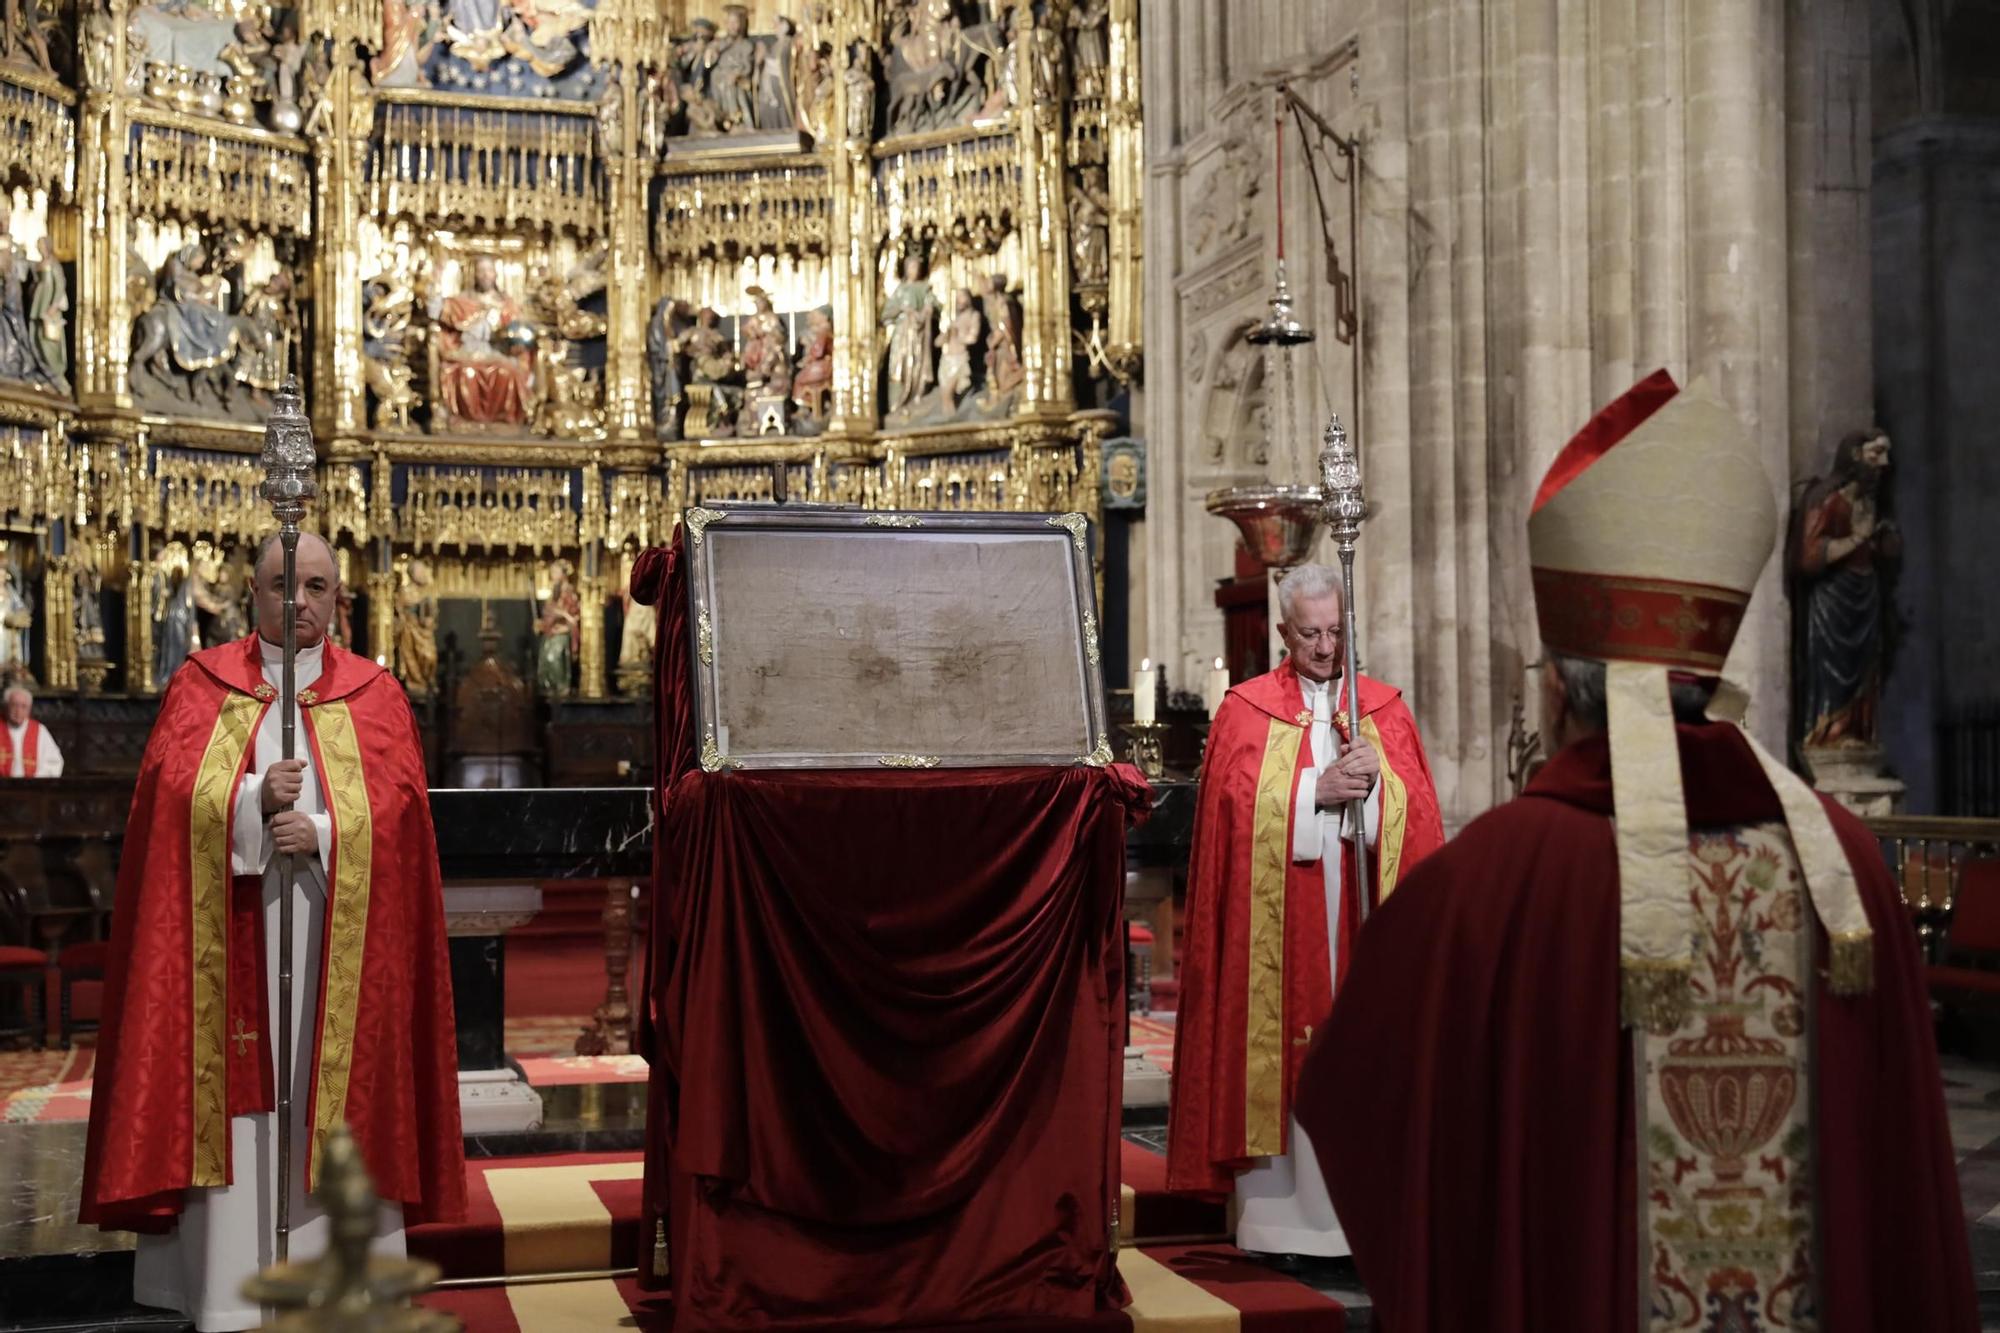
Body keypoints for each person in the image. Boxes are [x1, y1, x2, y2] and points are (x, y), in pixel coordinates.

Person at [1298, 372, 1976, 1332]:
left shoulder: (1489, 885)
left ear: (1562, 693)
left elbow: (1355, 1094)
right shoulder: (1848, 873)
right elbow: (1902, 1198)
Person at [80, 531, 465, 1332]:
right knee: (249, 1109)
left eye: (318, 586)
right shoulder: (201, 685)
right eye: (283, 584)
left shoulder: (378, 694)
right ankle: (229, 1293)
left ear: (338, 599)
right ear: (251, 593)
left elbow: (402, 820)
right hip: (235, 947)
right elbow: (166, 799)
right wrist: (251, 799)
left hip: (336, 940)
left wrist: (323, 833)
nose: (300, 602)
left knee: (333, 1105)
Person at [1166, 562, 1445, 1267]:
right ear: (1283, 631)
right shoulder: (1244, 709)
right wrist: (1311, 793)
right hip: (1279, 925)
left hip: (1357, 920)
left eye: (1335, 631)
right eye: (1311, 634)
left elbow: (1419, 820)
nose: (1326, 648)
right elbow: (1229, 817)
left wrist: (1375, 791)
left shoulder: (1383, 707)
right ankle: (1279, 1222)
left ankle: (1361, 1218)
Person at [1790, 427, 1901, 750]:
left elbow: (1888, 553)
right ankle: (1827, 734)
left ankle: (1857, 733)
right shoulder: (1826, 499)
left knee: (1866, 668)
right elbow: (1808, 557)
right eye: (1875, 454)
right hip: (1833, 599)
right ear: (1855, 456)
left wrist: (1885, 541)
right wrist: (1857, 539)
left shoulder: (1873, 503)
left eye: (1885, 455)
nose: (1883, 463)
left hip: (1866, 595)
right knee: (1831, 669)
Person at [2, 683, 61, 777]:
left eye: (23, 706)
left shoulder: (40, 731)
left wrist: (36, 779)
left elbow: (53, 762)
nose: (18, 711)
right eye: (14, 705)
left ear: (29, 709)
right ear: (6, 707)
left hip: (32, 787)